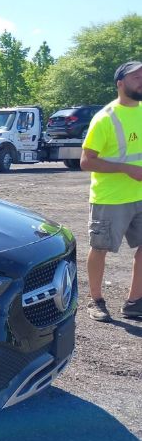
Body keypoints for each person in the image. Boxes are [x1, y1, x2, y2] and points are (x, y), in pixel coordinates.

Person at [80, 60, 142, 321]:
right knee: (101, 248)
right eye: (136, 76)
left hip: (140, 196)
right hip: (110, 199)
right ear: (120, 83)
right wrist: (126, 169)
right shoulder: (105, 118)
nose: (141, 79)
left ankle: (134, 302)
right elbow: (86, 161)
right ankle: (96, 301)